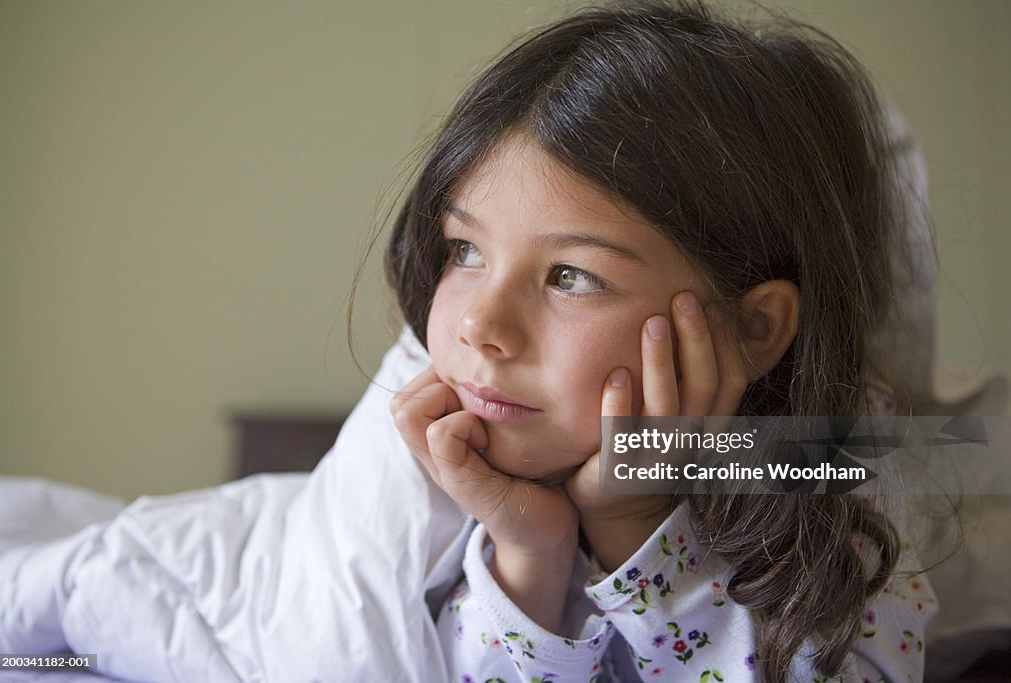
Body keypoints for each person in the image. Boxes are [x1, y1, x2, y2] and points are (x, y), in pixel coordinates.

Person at [385, 2, 936, 681]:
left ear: (753, 328)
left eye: (571, 275)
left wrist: (633, 517)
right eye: (465, 248)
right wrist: (528, 550)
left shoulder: (835, 464)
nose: (479, 327)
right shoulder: (459, 452)